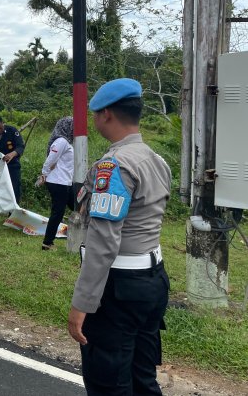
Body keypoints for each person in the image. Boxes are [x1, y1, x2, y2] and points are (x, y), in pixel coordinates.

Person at [67, 78, 171, 396]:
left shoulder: (114, 167)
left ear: (107, 115)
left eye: (96, 113)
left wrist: (82, 303)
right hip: (153, 280)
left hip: (119, 288)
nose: (96, 119)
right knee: (142, 377)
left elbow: (103, 242)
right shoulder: (157, 160)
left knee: (109, 382)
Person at [38, 116, 74, 250]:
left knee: (78, 207)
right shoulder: (61, 141)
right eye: (72, 126)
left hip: (66, 182)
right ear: (66, 127)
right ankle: (47, 243)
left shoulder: (67, 142)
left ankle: (84, 237)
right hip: (58, 182)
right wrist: (44, 173)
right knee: (58, 212)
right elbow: (50, 158)